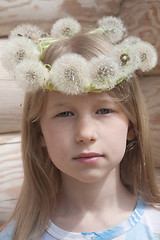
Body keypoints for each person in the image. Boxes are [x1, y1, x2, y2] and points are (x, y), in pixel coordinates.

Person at [0, 16, 160, 240]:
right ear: (39, 134)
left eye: (104, 111)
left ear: (131, 125)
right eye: (65, 114)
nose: (85, 134)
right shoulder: (18, 236)